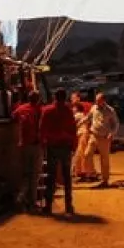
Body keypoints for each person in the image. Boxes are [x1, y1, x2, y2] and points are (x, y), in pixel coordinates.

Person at [39, 89, 78, 217]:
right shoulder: (68, 111)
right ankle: (68, 206)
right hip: (65, 146)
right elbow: (73, 128)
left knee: (51, 177)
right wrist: (74, 144)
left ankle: (48, 206)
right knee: (67, 177)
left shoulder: (47, 110)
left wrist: (43, 143)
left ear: (54, 97)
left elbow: (42, 128)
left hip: (53, 146)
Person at [11, 91, 43, 210]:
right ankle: (31, 201)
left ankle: (21, 198)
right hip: (36, 145)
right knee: (35, 175)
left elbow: (13, 117)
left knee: (25, 174)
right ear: (38, 99)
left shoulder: (21, 109)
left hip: (24, 145)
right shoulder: (40, 110)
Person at [87, 93, 120, 187]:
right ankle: (92, 173)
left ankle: (105, 180)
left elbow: (116, 124)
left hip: (104, 137)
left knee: (104, 159)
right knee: (87, 154)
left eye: (98, 100)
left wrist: (111, 133)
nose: (96, 102)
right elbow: (88, 117)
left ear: (103, 101)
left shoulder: (110, 110)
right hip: (94, 135)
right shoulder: (93, 108)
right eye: (96, 100)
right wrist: (81, 122)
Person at [73, 101, 97, 182]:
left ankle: (85, 172)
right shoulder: (82, 115)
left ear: (77, 108)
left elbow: (72, 123)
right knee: (81, 154)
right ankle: (85, 172)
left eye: (74, 108)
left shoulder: (78, 115)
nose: (73, 109)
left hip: (83, 135)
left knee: (81, 154)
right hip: (83, 135)